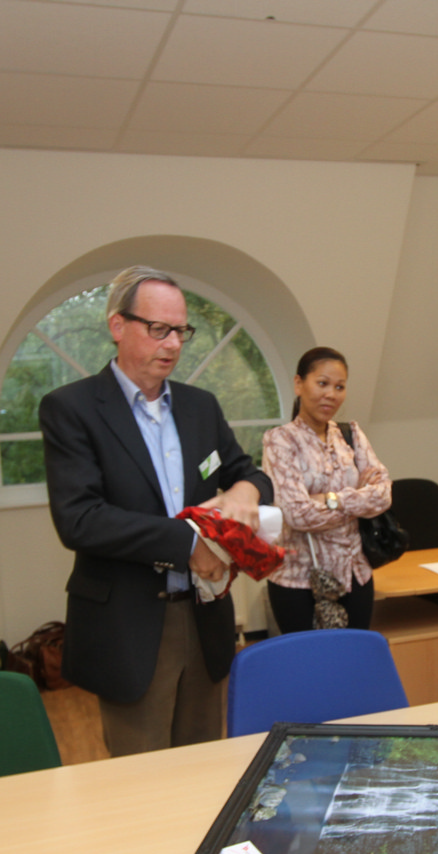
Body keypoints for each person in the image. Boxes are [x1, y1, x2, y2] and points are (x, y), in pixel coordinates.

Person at [39, 266, 273, 756]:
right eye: (158, 329)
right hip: (130, 625)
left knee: (205, 764)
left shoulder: (200, 407)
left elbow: (248, 473)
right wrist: (188, 546)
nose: (173, 344)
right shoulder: (72, 409)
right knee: (141, 778)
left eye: (181, 331)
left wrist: (246, 491)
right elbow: (80, 519)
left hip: (205, 618)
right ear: (117, 326)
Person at [262, 348, 392, 633]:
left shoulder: (351, 434)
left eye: (339, 387)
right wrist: (359, 501)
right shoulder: (279, 440)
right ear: (299, 384)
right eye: (322, 383)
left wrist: (330, 499)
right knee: (309, 661)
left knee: (354, 658)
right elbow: (297, 514)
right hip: (298, 582)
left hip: (355, 575)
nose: (331, 394)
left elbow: (383, 495)